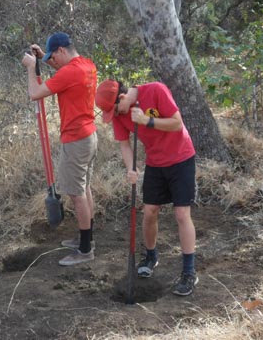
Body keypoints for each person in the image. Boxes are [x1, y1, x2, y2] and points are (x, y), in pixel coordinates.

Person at [95, 79, 198, 296]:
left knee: (181, 214)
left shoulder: (156, 90)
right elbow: (124, 144)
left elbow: (177, 123)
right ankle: (150, 256)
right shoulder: (119, 115)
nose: (114, 116)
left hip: (181, 158)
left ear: (122, 98)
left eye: (114, 110)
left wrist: (146, 120)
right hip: (155, 163)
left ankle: (189, 271)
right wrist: (131, 168)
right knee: (149, 211)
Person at [22, 32, 98, 266]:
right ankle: (87, 239)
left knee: (76, 194)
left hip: (75, 139)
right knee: (84, 189)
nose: (52, 62)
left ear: (62, 51)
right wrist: (44, 58)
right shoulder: (86, 65)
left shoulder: (70, 71)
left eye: (53, 57)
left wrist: (30, 67)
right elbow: (65, 76)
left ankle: (85, 251)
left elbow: (35, 94)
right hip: (88, 135)